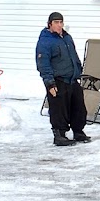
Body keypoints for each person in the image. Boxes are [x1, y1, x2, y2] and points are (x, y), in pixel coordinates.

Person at [36, 11, 91, 146]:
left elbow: (74, 55)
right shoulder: (45, 41)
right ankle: (59, 135)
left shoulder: (67, 37)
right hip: (58, 80)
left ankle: (78, 131)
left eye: (61, 22)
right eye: (56, 22)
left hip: (72, 79)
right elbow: (43, 64)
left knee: (78, 107)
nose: (59, 25)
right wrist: (49, 83)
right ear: (50, 24)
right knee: (59, 109)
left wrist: (79, 70)